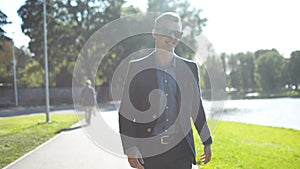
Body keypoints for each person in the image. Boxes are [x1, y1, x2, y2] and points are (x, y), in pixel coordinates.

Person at [119, 12, 212, 169]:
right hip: (149, 151)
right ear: (154, 32)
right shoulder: (137, 67)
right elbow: (126, 112)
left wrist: (207, 141)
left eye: (177, 33)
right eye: (167, 31)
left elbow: (197, 108)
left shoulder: (190, 68)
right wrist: (131, 147)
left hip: (181, 150)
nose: (172, 37)